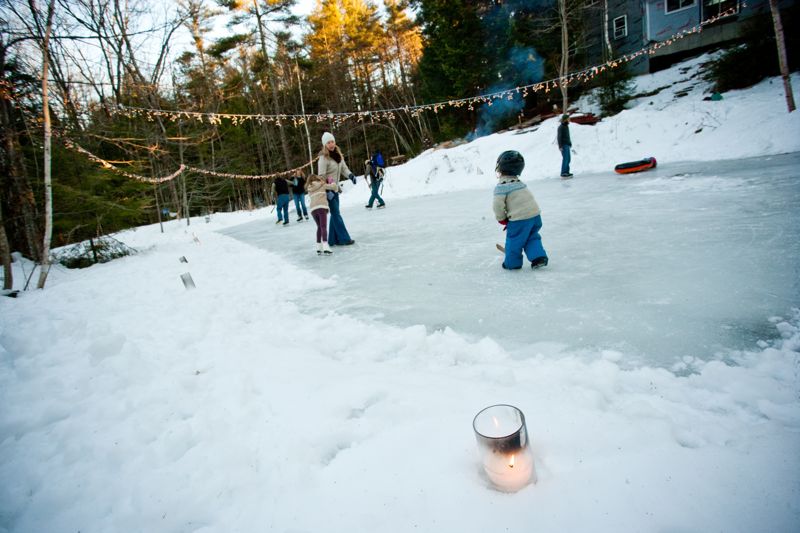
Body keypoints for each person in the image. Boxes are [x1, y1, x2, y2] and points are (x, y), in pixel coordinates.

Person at [493, 150, 548, 270]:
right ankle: (538, 257)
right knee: (531, 237)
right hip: (535, 216)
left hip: (519, 220)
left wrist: (501, 218)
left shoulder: (501, 187)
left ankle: (512, 264)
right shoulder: (520, 183)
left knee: (514, 241)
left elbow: (497, 206)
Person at [318, 132, 356, 245]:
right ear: (325, 145)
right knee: (336, 214)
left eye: (332, 141)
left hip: (335, 189)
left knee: (335, 213)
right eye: (328, 142)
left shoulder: (338, 155)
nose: (331, 144)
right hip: (328, 190)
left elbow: (344, 168)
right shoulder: (323, 158)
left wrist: (350, 175)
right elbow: (321, 177)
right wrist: (327, 189)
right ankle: (344, 239)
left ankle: (332, 240)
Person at [305, 174, 338, 255]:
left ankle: (319, 247)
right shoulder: (322, 185)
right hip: (321, 207)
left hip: (313, 209)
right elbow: (334, 187)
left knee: (319, 227)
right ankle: (326, 246)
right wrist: (331, 181)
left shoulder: (309, 188)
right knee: (323, 226)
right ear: (316, 178)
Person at [557, 114, 573, 178]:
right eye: (568, 119)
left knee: (568, 159)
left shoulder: (566, 126)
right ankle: (563, 173)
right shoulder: (561, 127)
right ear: (566, 119)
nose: (569, 120)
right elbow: (559, 137)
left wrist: (570, 143)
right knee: (565, 159)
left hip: (567, 144)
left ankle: (566, 172)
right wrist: (560, 146)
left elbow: (567, 136)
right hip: (563, 145)